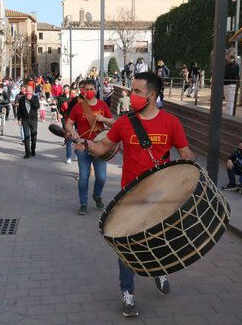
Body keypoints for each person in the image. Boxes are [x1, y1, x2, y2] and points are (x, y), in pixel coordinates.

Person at [85, 72, 195, 317]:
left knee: (158, 240)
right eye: (131, 90)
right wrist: (87, 145)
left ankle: (159, 270)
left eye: (136, 91)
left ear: (151, 95)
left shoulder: (171, 122)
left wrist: (190, 181)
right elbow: (103, 146)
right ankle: (127, 292)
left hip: (161, 195)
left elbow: (186, 155)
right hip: (130, 195)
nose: (130, 95)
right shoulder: (124, 122)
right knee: (126, 244)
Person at [65, 79, 114, 215]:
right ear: (83, 91)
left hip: (100, 145)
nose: (89, 91)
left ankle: (97, 195)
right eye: (86, 89)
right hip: (83, 145)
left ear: (96, 90)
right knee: (84, 177)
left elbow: (113, 123)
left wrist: (103, 120)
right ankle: (83, 203)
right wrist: (73, 133)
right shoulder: (78, 107)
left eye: (92, 89)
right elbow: (68, 124)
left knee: (102, 177)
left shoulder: (103, 105)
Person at [17, 86, 40, 158]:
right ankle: (27, 152)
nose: (28, 92)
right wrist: (19, 119)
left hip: (33, 120)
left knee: (34, 136)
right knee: (26, 136)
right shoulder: (22, 99)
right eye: (27, 91)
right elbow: (19, 110)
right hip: (25, 120)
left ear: (32, 91)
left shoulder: (35, 98)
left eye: (29, 91)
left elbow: (37, 107)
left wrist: (31, 100)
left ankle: (33, 149)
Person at [57, 85, 75, 164]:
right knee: (68, 140)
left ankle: (78, 152)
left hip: (76, 122)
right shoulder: (61, 98)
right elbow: (59, 108)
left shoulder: (79, 101)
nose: (72, 94)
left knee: (77, 140)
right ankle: (69, 157)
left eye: (74, 93)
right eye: (71, 93)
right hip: (66, 120)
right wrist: (59, 114)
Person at [224, 48, 240, 115]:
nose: (226, 56)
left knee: (230, 101)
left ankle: (229, 115)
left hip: (231, 84)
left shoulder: (234, 64)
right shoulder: (228, 64)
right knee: (228, 101)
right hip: (227, 84)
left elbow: (230, 74)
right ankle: (228, 114)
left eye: (227, 54)